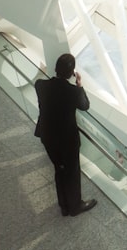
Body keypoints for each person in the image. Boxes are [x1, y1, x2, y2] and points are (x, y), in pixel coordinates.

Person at [34, 53, 97, 217]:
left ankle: (64, 205)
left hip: (47, 136)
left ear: (55, 68)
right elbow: (85, 106)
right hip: (67, 141)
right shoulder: (73, 93)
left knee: (59, 169)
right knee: (72, 172)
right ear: (72, 73)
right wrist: (79, 85)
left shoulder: (40, 85)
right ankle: (75, 206)